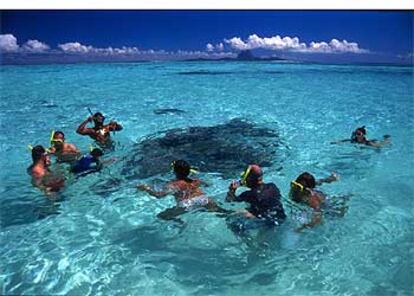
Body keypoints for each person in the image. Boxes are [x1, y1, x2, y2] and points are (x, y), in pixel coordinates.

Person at [137, 159, 230, 221]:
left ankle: (179, 223)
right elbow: (209, 184)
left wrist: (146, 188)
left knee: (162, 216)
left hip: (187, 204)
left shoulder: (173, 184)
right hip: (203, 199)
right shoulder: (196, 180)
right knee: (223, 212)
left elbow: (159, 195)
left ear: (174, 171)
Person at [226, 164, 286, 230]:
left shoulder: (249, 195)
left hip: (269, 223)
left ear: (248, 179)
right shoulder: (273, 186)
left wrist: (232, 190)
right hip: (281, 218)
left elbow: (229, 201)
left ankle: (247, 240)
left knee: (233, 224)